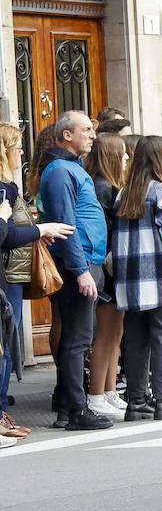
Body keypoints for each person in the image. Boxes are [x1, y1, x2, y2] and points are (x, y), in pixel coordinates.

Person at [111, 135, 162, 421]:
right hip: (161, 275)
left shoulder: (124, 193)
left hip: (131, 281)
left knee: (136, 341)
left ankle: (136, 402)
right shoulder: (160, 191)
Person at [39, 111, 111, 430]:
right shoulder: (60, 171)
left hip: (84, 263)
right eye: (86, 130)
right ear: (67, 136)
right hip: (76, 267)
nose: (93, 135)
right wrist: (81, 270)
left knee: (78, 336)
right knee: (77, 338)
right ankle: (76, 410)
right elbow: (66, 224)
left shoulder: (71, 168)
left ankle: (70, 410)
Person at [0, 123, 70, 440]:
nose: (22, 152)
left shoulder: (9, 185)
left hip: (11, 271)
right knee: (4, 344)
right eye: (17, 147)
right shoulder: (4, 189)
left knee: (6, 343)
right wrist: (42, 230)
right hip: (6, 273)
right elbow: (5, 235)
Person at [83, 132, 127, 420]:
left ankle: (109, 389)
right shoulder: (102, 188)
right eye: (122, 153)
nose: (126, 158)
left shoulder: (110, 186)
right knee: (106, 331)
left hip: (113, 264)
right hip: (106, 263)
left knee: (116, 330)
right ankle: (97, 393)